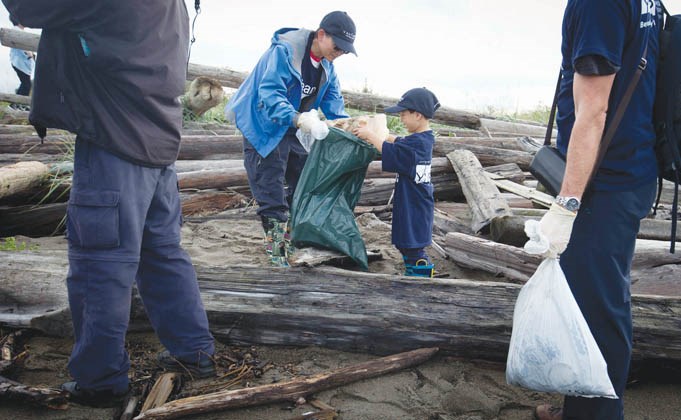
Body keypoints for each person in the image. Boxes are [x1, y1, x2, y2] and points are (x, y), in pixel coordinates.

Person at [2, 0, 215, 407]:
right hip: (157, 145)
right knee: (162, 254)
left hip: (113, 142)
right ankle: (195, 353)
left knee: (100, 267)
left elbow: (28, 8)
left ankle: (100, 380)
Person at [533, 1, 660, 419]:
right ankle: (582, 406)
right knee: (601, 297)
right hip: (633, 172)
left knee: (596, 311)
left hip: (604, 183)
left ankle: (598, 413)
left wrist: (567, 204)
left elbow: (594, 110)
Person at [225, 11, 357, 267]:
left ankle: (295, 239)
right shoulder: (285, 52)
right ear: (321, 35)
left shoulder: (327, 69)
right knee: (271, 189)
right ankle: (277, 253)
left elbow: (335, 107)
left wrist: (351, 125)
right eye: (337, 45)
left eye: (345, 50)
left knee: (304, 180)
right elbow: (270, 96)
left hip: (292, 128)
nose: (340, 52)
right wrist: (300, 120)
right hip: (262, 125)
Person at [352, 87, 439, 278]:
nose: (401, 119)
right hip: (414, 201)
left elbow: (393, 151)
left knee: (412, 246)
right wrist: (381, 133)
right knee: (406, 244)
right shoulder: (422, 139)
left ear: (417, 115)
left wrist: (370, 135)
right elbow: (399, 142)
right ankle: (413, 272)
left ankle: (421, 276)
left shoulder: (418, 144)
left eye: (403, 114)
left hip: (414, 205)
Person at [8, 18, 33, 105]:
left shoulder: (19, 30)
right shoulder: (16, 30)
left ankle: (15, 104)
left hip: (22, 63)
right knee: (26, 84)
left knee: (25, 84)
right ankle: (19, 104)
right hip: (19, 62)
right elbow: (19, 43)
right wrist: (28, 52)